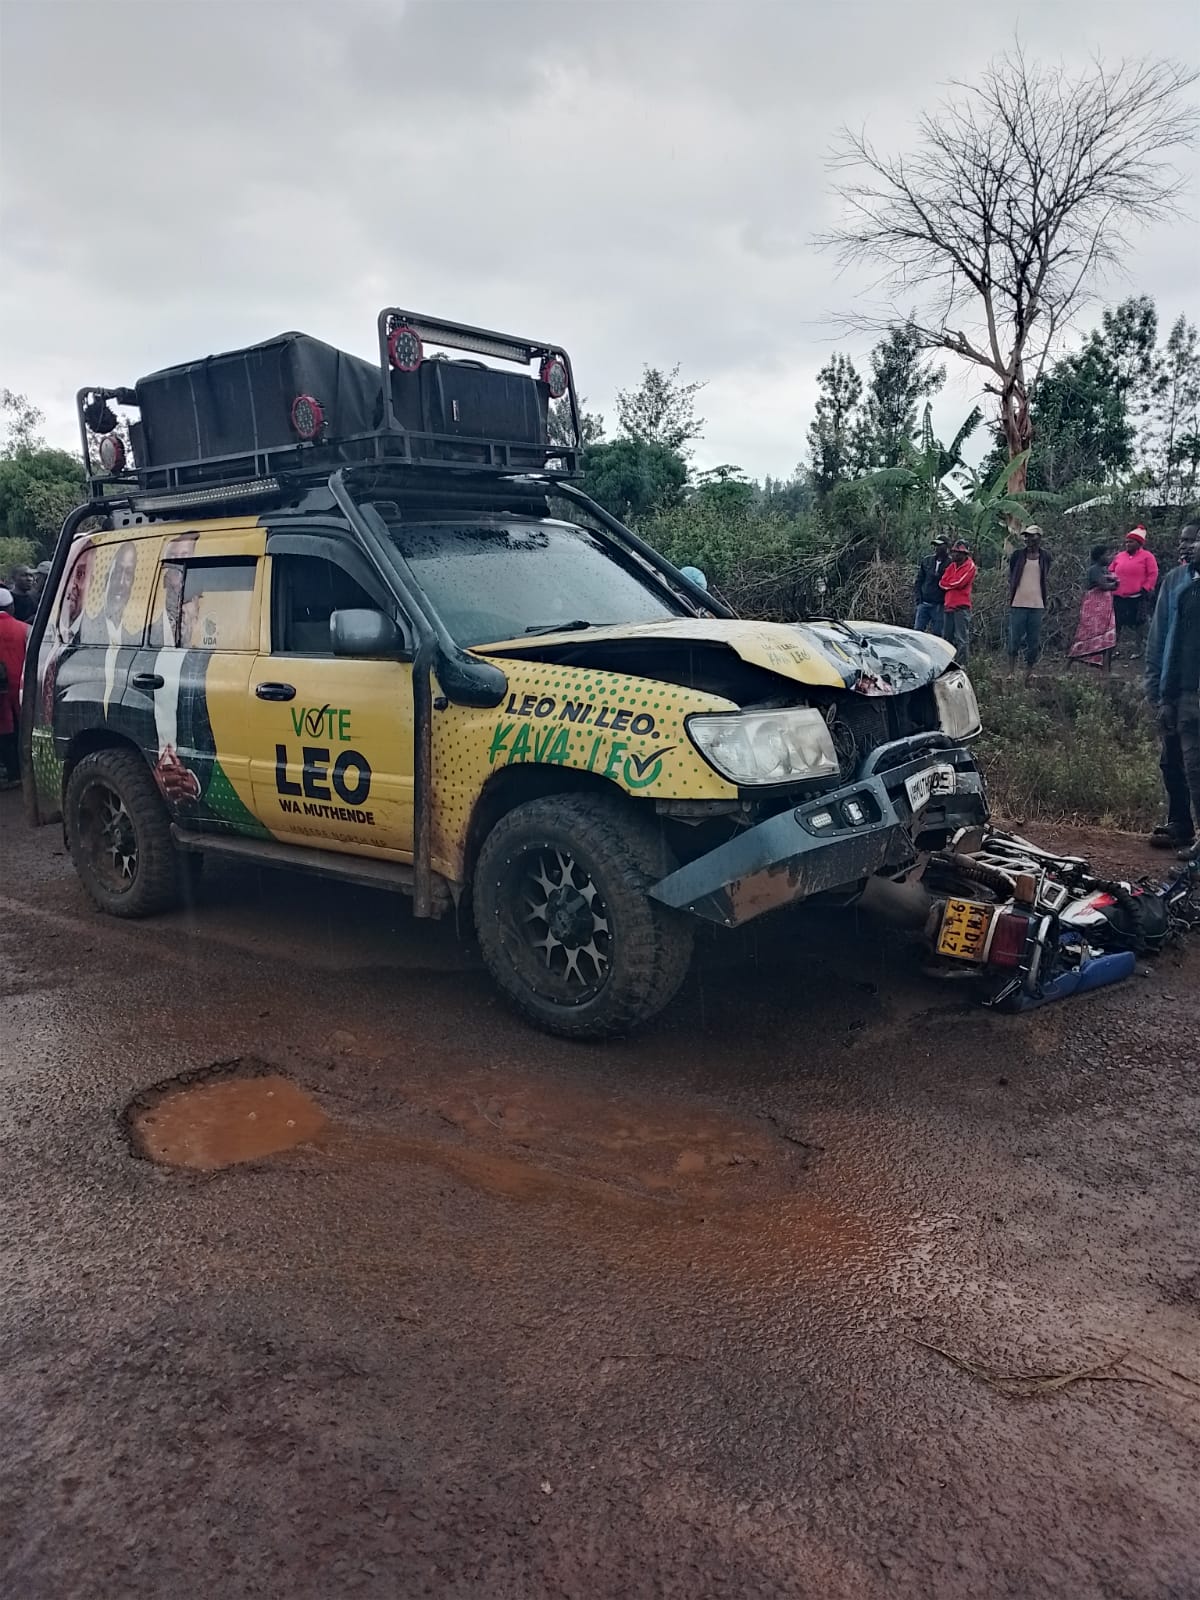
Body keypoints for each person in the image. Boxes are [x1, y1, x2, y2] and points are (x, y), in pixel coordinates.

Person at [1144, 523, 1200, 850]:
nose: (1186, 546)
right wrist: (1157, 689)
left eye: (1192, 540)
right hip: (1176, 689)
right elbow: (1161, 639)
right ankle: (1180, 824)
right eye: (1183, 540)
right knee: (1174, 759)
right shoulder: (1176, 582)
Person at [1006, 525, 1051, 679]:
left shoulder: (1045, 557)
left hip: (1037, 604)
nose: (1028, 539)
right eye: (1026, 536)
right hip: (1018, 602)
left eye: (1032, 536)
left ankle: (1029, 672)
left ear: (1039, 537)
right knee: (1014, 639)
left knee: (1033, 641)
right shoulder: (1018, 555)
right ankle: (1011, 672)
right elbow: (1012, 574)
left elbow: (1045, 576)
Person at [1108, 527, 1159, 657]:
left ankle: (1139, 650)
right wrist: (1112, 580)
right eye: (1126, 542)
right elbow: (1111, 570)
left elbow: (1153, 574)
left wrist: (1146, 588)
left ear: (1139, 543)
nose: (1128, 544)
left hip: (1137, 597)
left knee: (1139, 624)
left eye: (1131, 542)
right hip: (1119, 596)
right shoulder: (1119, 556)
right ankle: (1113, 650)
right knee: (1116, 624)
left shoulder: (1147, 556)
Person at [1067, 544, 1118, 672]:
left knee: (1107, 638)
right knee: (1087, 636)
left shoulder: (1104, 569)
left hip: (1105, 610)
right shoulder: (1094, 570)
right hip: (1094, 609)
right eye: (1107, 554)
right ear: (1099, 556)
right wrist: (1115, 584)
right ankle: (1069, 665)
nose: (1110, 557)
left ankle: (1106, 670)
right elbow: (1103, 586)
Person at [0, 586, 31, 787]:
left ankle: (11, 772)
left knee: (4, 730)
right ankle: (25, 770)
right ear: (11, 607)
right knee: (24, 727)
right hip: (21, 686)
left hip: (1, 690)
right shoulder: (24, 628)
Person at [939, 539, 976, 664]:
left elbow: (960, 583)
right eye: (953, 552)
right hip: (949, 605)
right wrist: (950, 584)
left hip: (961, 607)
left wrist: (949, 584)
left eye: (956, 553)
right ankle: (947, 663)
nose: (953, 555)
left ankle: (962, 665)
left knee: (961, 638)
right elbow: (942, 582)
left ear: (963, 554)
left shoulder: (970, 566)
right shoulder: (951, 566)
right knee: (947, 639)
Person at [912, 534, 949, 636]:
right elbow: (919, 581)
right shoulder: (927, 560)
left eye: (940, 545)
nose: (937, 548)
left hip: (939, 606)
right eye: (936, 545)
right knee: (917, 633)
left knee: (937, 634)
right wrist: (919, 599)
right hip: (924, 603)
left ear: (946, 547)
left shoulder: (951, 563)